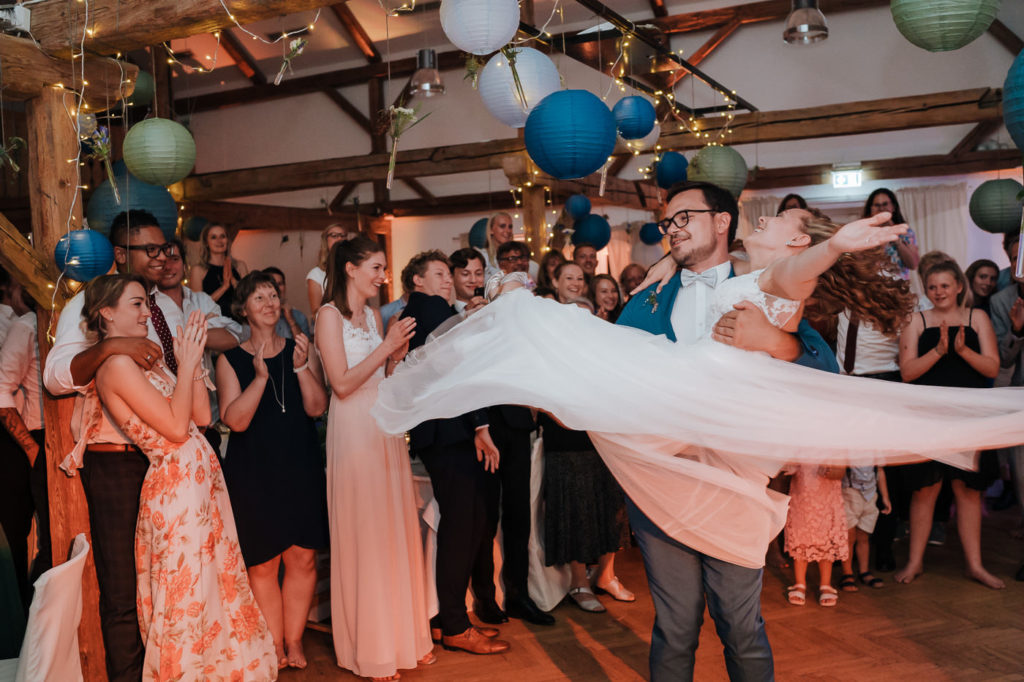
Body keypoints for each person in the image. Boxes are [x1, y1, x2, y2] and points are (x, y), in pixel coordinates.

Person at [373, 182, 1024, 681]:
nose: (672, 228)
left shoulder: (754, 282)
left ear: (722, 223)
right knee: (676, 626)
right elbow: (614, 368)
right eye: (666, 222)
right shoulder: (645, 299)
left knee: (741, 625)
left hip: (730, 480)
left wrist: (812, 279)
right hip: (661, 482)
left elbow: (801, 306)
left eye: (684, 217)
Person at [83, 274, 277, 681]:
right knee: (184, 594)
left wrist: (188, 361)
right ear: (106, 313)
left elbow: (203, 418)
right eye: (136, 304)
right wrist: (187, 361)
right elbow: (174, 429)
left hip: (200, 478)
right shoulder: (114, 366)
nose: (145, 312)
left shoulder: (140, 360)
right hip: (175, 485)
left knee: (213, 587)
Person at [44, 209, 172, 681]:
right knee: (121, 587)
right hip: (117, 465)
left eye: (165, 248)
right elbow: (56, 377)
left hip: (165, 462)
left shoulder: (165, 308)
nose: (162, 257)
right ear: (121, 255)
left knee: (162, 583)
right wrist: (113, 347)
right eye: (150, 250)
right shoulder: (90, 303)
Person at [315, 237, 434, 681]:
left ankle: (401, 637)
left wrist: (395, 358)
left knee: (390, 528)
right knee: (365, 530)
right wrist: (385, 349)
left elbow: (379, 377)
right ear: (350, 268)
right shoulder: (328, 316)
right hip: (352, 431)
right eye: (377, 266)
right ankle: (370, 648)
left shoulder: (369, 315)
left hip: (381, 428)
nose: (383, 275)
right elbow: (341, 385)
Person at [396, 251, 509, 656]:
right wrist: (480, 425)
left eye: (448, 275)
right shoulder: (430, 309)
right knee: (463, 523)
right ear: (418, 282)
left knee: (470, 520)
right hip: (446, 431)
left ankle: (450, 619)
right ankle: (455, 625)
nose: (447, 281)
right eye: (440, 274)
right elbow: (455, 369)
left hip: (445, 429)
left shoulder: (429, 311)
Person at [216, 272, 329, 668]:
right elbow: (236, 421)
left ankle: (294, 642)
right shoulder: (229, 360)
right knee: (263, 563)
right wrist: (261, 377)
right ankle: (273, 645)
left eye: (273, 296)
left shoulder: (301, 348)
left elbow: (317, 407)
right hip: (254, 472)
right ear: (243, 309)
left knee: (302, 558)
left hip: (299, 464)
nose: (268, 303)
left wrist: (300, 368)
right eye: (258, 297)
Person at [895, 259, 1003, 590]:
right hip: (928, 418)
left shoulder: (977, 317)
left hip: (968, 418)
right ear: (926, 290)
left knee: (967, 491)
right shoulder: (916, 320)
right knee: (925, 490)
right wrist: (940, 351)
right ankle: (915, 563)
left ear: (959, 286)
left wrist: (963, 351)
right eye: (932, 286)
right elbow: (908, 372)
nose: (939, 292)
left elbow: (992, 368)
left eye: (945, 285)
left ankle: (975, 565)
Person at [0, 279, 46, 611]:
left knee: (58, 535)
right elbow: (0, 391)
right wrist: (31, 449)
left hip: (61, 441)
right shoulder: (26, 326)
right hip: (28, 440)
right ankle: (18, 623)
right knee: (16, 535)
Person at [156, 239, 242, 352]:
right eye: (161, 261)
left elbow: (233, 338)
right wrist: (203, 327)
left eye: (174, 259)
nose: (167, 266)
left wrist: (185, 336)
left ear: (184, 265)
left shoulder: (202, 300)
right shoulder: (148, 304)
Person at [784, 464, 848, 608]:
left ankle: (825, 584)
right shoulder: (800, 443)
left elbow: (842, 470)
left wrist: (833, 471)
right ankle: (800, 583)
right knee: (801, 536)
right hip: (802, 496)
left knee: (826, 539)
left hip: (827, 498)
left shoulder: (833, 446)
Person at [838, 465, 891, 592]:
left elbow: (880, 471)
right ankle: (847, 573)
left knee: (864, 536)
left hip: (870, 497)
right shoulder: (847, 449)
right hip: (849, 495)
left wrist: (885, 497)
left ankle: (864, 571)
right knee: (849, 537)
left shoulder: (873, 450)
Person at [189, 223, 249, 316]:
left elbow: (249, 298)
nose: (219, 241)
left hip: (240, 320)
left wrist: (233, 281)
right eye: (213, 237)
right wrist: (224, 287)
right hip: (214, 322)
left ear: (227, 240)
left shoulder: (240, 266)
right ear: (206, 243)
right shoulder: (198, 270)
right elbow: (199, 306)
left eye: (222, 236)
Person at [863, 188, 918, 280]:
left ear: (893, 207)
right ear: (871, 209)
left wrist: (895, 238)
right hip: (874, 285)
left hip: (900, 286)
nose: (881, 209)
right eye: (877, 205)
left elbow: (913, 265)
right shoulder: (864, 233)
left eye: (885, 204)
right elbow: (863, 265)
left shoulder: (905, 232)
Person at [307, 224, 348, 316]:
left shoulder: (354, 269)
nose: (339, 239)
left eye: (342, 236)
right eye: (334, 236)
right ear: (325, 240)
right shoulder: (316, 274)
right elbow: (316, 313)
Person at [262, 267, 311, 339]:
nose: (277, 288)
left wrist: (291, 320)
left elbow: (306, 348)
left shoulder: (299, 317)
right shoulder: (256, 316)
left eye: (280, 284)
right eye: (272, 284)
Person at [450, 248, 487, 314]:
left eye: (478, 274)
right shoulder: (444, 315)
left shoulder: (494, 310)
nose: (473, 280)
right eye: (465, 274)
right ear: (451, 277)